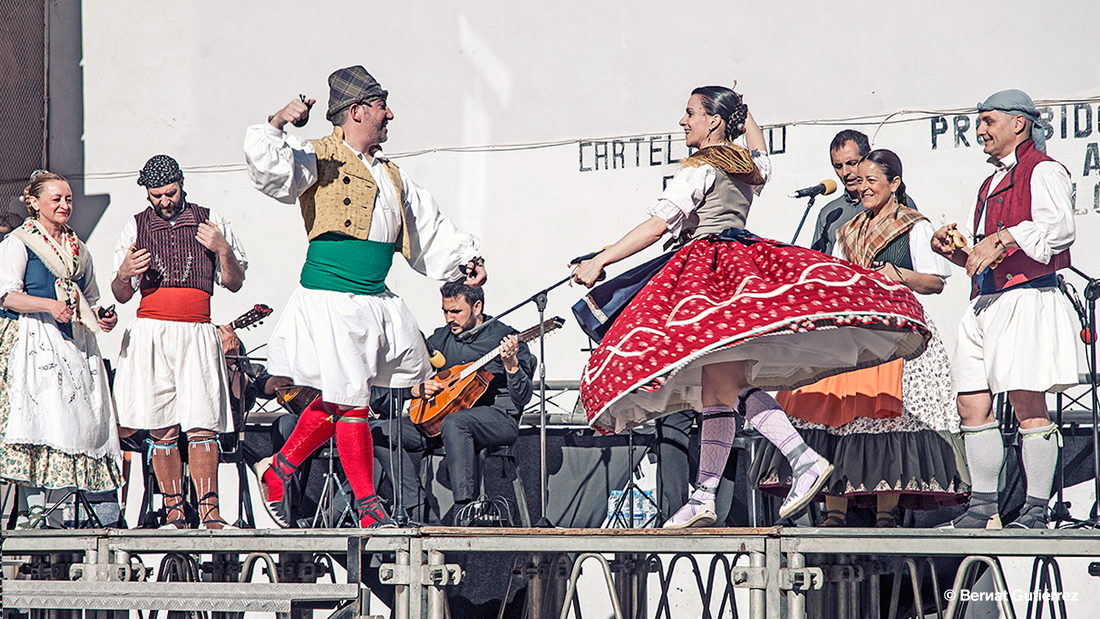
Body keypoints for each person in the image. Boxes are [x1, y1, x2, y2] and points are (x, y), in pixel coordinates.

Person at [573, 86, 930, 528]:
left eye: (690, 114)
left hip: (709, 277)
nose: (683, 122)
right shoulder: (747, 168)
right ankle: (703, 496)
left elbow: (656, 224)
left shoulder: (699, 169)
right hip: (739, 272)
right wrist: (747, 114)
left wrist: (601, 259)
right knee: (715, 390)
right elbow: (761, 152)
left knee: (726, 383)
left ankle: (802, 460)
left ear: (714, 121)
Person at [243, 65, 486, 528]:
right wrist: (276, 124)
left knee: (344, 398)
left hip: (373, 298)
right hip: (331, 297)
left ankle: (279, 471)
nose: (389, 114)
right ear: (356, 112)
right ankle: (367, 505)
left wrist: (464, 262)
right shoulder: (318, 157)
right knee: (351, 400)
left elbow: (428, 229)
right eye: (381, 106)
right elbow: (272, 172)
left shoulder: (393, 175)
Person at [753, 150, 968, 527]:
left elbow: (935, 282)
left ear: (894, 184)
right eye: (860, 180)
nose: (863, 187)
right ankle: (834, 512)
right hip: (855, 327)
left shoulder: (914, 227)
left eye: (872, 180)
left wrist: (898, 274)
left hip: (898, 328)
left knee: (884, 417)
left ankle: (887, 514)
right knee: (836, 412)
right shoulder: (847, 231)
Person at [932, 89, 1077, 529]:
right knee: (970, 402)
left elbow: (1059, 229)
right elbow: (989, 250)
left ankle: (1035, 508)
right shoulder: (991, 182)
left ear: (1019, 123)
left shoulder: (1044, 170)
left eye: (988, 121)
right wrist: (960, 253)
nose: (980, 130)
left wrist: (1004, 237)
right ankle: (983, 507)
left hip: (1026, 297)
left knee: (1027, 400)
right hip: (986, 299)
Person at [112, 155, 248, 530]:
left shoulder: (209, 219)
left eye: (170, 193)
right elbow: (121, 294)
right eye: (156, 195)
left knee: (203, 421)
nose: (164, 201)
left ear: (182, 183)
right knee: (161, 424)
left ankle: (210, 513)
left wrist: (222, 249)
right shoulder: (135, 226)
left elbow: (234, 283)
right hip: (151, 333)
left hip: (196, 330)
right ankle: (174, 512)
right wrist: (124, 273)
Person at [0, 172, 122, 528]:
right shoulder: (19, 243)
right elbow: (7, 294)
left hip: (72, 341)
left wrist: (102, 317)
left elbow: (91, 297)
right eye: (56, 199)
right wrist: (49, 306)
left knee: (72, 422)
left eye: (68, 199)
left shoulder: (77, 248)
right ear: (34, 202)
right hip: (34, 339)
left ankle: (64, 511)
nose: (65, 205)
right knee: (39, 419)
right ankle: (34, 510)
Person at [373, 282, 534, 524]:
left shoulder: (505, 338)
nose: (450, 318)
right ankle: (417, 509)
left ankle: (463, 510)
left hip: (496, 419)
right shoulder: (441, 338)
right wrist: (414, 390)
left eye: (456, 311)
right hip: (440, 419)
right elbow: (404, 377)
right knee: (380, 432)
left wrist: (511, 365)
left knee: (456, 422)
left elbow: (522, 397)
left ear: (477, 307)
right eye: (445, 311)